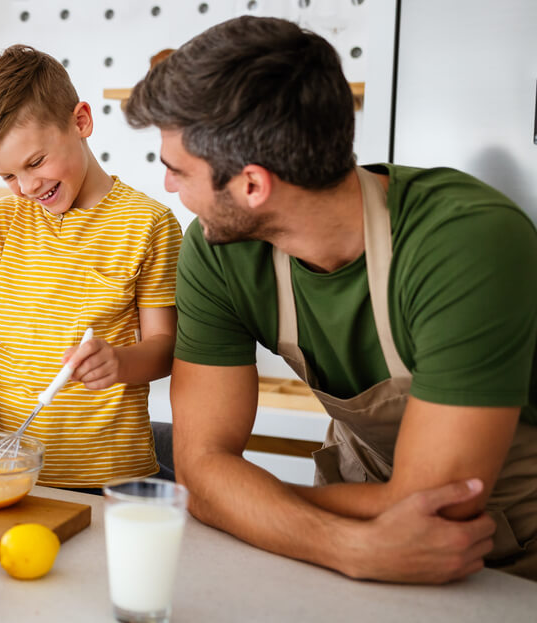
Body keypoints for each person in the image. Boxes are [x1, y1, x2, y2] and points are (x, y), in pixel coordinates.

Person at [125, 16, 537, 583]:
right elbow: (201, 471)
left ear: (252, 185)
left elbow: (444, 503)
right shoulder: (217, 252)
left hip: (515, 540)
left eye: (176, 170)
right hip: (350, 533)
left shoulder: (467, 241)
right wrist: (347, 546)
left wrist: (249, 502)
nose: (170, 187)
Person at [0, 45, 183, 489]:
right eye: (8, 176)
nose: (27, 186)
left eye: (35, 162)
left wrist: (120, 363)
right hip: (7, 466)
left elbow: (166, 346)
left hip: (109, 476)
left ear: (81, 122)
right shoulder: (0, 222)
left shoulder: (148, 224)